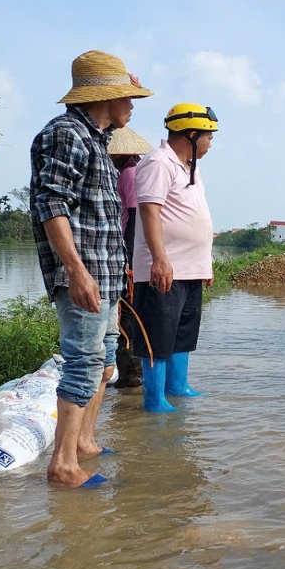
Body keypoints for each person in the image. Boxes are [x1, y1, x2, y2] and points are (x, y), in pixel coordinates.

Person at [29, 50, 152, 486]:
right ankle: (62, 465)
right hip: (83, 274)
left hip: (106, 273)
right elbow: (52, 204)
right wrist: (77, 271)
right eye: (128, 98)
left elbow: (100, 219)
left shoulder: (96, 139)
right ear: (108, 98)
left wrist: (118, 274)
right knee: (82, 363)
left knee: (102, 363)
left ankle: (83, 443)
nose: (132, 107)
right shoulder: (66, 135)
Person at [132, 103, 218, 413]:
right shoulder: (158, 163)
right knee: (158, 334)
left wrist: (204, 263)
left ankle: (177, 386)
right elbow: (150, 211)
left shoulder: (190, 167)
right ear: (192, 134)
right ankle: (154, 400)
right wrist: (159, 259)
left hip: (191, 269)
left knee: (182, 333)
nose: (211, 144)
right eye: (209, 137)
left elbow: (194, 217)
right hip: (165, 268)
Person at [108, 126, 152, 388]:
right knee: (129, 313)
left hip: (130, 252)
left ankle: (131, 376)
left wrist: (129, 257)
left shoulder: (129, 173)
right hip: (130, 251)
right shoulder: (132, 172)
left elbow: (135, 216)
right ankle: (133, 374)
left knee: (127, 314)